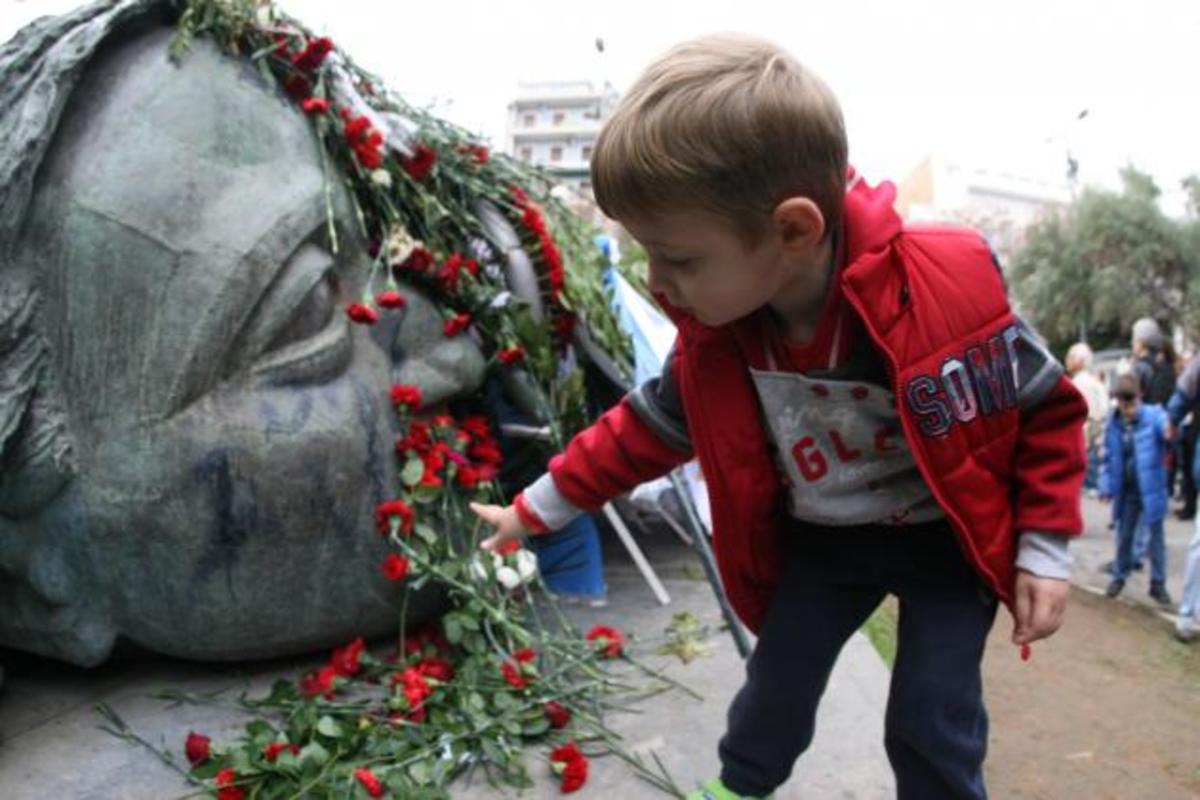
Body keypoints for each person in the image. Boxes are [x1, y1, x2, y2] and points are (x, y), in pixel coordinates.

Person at [470, 34, 1086, 800]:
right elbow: (643, 430)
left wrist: (1045, 551)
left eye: (679, 259)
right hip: (828, 543)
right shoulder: (721, 339)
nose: (657, 282)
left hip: (946, 544)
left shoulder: (940, 299)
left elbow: (1048, 412)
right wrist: (535, 509)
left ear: (793, 230)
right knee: (775, 686)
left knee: (932, 718)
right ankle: (739, 787)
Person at [1100, 374, 1173, 606]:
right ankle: (1119, 575)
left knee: (1156, 539)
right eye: (1124, 406)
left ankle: (1158, 583)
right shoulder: (1114, 423)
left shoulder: (1154, 416)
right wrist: (1106, 485)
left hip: (1152, 487)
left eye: (1132, 405)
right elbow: (1108, 457)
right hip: (1128, 490)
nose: (1128, 411)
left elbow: (1166, 429)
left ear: (1140, 397)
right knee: (1124, 535)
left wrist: (1169, 430)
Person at [1066, 343, 1110, 492]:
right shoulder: (1094, 381)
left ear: (1081, 361)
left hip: (1086, 438)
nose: (1068, 360)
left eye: (1071, 357)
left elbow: (1087, 415)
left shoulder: (1079, 383)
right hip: (1097, 437)